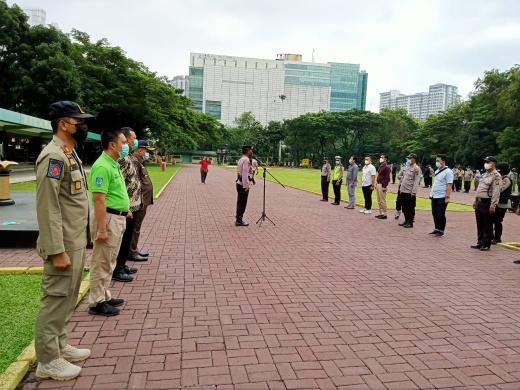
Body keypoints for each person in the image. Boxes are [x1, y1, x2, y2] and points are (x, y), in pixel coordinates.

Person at [34, 101, 93, 381]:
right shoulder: (53, 156)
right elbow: (49, 207)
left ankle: (59, 345)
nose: (82, 125)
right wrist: (56, 249)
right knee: (55, 299)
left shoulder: (70, 153)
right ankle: (47, 360)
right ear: (63, 124)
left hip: (75, 238)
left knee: (67, 297)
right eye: (77, 121)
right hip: (63, 243)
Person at [88, 129, 130, 316]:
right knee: (102, 261)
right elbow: (99, 199)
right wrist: (102, 228)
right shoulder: (102, 166)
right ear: (112, 145)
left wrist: (125, 209)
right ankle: (97, 302)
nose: (125, 145)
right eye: (123, 142)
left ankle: (104, 295)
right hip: (108, 218)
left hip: (117, 217)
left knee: (109, 260)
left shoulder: (113, 164)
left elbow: (115, 193)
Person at [113, 127, 144, 283]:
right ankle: (117, 267)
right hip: (127, 207)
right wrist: (126, 207)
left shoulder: (129, 157)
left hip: (134, 205)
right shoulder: (120, 159)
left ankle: (122, 264)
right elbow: (120, 184)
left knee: (128, 236)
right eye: (132, 138)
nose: (134, 141)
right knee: (123, 238)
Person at [129, 140, 154, 261]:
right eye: (146, 151)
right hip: (139, 200)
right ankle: (132, 252)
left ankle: (134, 249)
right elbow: (134, 182)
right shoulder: (134, 161)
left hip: (143, 200)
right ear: (140, 150)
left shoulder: (139, 161)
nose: (147, 153)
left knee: (137, 226)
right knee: (135, 226)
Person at [471, 156, 501, 251]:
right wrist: (475, 200)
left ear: (493, 164)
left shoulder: (496, 176)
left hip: (487, 202)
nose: (486, 164)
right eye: (486, 162)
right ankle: (480, 242)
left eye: (488, 162)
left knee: (487, 224)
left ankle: (486, 243)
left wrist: (493, 205)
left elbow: (496, 192)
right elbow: (479, 189)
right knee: (479, 223)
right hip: (480, 201)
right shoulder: (484, 174)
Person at [429, 155, 453, 237]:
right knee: (434, 212)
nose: (437, 162)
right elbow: (436, 183)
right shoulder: (436, 171)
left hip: (442, 196)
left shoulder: (448, 171)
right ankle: (436, 228)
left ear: (443, 161)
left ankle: (441, 229)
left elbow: (449, 185)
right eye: (436, 160)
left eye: (438, 161)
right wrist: (431, 194)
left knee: (440, 213)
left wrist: (447, 196)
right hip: (434, 195)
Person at [398, 153, 421, 228]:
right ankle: (406, 220)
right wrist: (401, 189)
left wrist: (414, 192)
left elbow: (416, 181)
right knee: (404, 207)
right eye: (408, 158)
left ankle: (410, 222)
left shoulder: (416, 168)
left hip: (409, 191)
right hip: (403, 190)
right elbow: (403, 179)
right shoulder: (407, 167)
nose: (408, 159)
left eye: (410, 158)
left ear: (414, 159)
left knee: (409, 207)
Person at [492, 163, 512, 244]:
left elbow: (500, 189)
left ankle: (497, 238)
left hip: (502, 203)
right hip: (497, 202)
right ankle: (492, 236)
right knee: (493, 220)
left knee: (498, 221)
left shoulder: (506, 179)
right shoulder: (500, 178)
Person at [236, 145, 252, 226]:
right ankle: (239, 220)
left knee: (240, 202)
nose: (251, 152)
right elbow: (245, 174)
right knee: (242, 203)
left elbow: (239, 172)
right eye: (250, 150)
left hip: (239, 183)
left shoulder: (241, 159)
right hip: (243, 184)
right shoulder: (246, 160)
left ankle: (238, 218)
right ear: (248, 151)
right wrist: (246, 186)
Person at [375, 153, 391, 219]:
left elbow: (387, 178)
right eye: (380, 157)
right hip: (378, 184)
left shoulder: (387, 167)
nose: (380, 158)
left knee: (382, 200)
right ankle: (381, 213)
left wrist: (384, 186)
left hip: (382, 185)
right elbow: (378, 175)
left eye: (382, 157)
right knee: (379, 200)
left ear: (385, 159)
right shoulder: (381, 166)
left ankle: (385, 214)